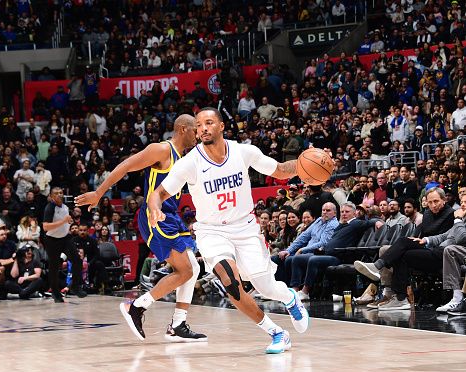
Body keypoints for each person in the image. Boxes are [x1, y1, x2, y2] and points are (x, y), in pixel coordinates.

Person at [147, 108, 308, 354]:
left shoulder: (244, 151)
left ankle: (289, 298)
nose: (203, 129)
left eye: (209, 123)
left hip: (245, 228)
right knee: (231, 283)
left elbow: (279, 170)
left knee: (265, 287)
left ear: (221, 126)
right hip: (211, 232)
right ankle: (277, 332)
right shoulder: (190, 163)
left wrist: (306, 166)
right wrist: (155, 208)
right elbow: (158, 193)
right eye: (199, 125)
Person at [75, 114, 207, 342]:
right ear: (184, 129)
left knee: (193, 268)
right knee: (184, 270)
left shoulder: (184, 157)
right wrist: (99, 193)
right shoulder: (162, 150)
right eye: (196, 128)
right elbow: (126, 165)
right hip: (155, 216)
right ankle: (136, 307)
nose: (199, 134)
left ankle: (178, 325)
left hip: (171, 216)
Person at [42, 187, 86, 302]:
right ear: (51, 197)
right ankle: (56, 294)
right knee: (54, 267)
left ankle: (75, 286)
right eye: (56, 193)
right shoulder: (50, 207)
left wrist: (69, 221)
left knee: (77, 260)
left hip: (65, 238)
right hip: (52, 240)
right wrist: (63, 221)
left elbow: (67, 219)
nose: (59, 195)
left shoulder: (66, 206)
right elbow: (45, 227)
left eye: (61, 193)